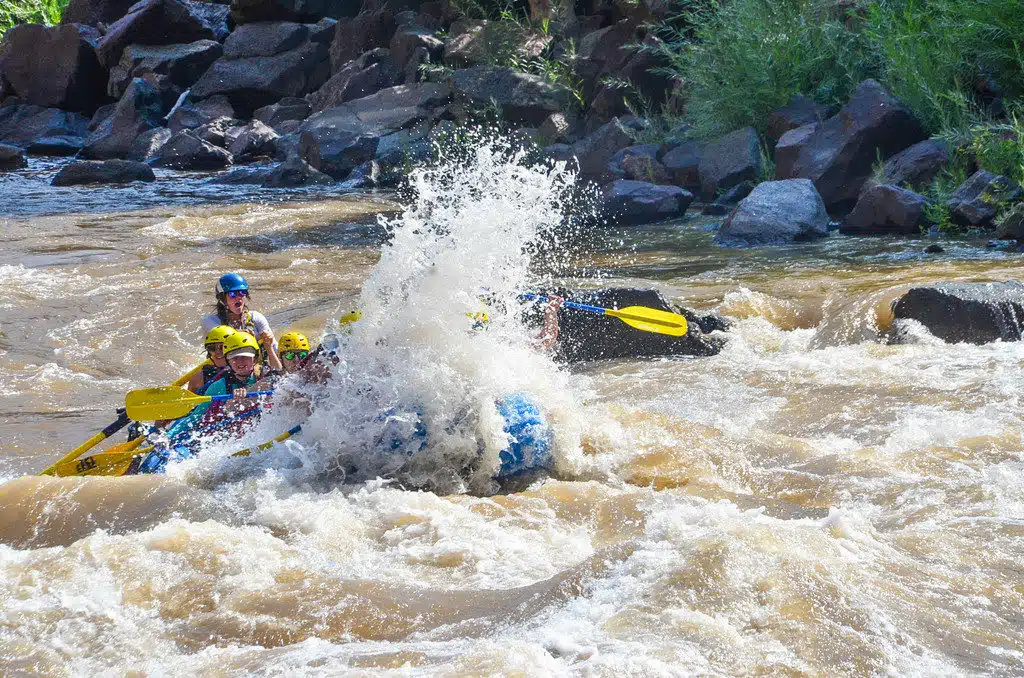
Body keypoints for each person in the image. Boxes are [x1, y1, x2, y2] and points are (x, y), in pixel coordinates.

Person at [201, 272, 283, 372]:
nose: (238, 297)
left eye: (242, 292)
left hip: (253, 369)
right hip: (222, 370)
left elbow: (276, 351)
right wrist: (243, 334)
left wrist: (269, 345)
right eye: (232, 294)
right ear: (222, 298)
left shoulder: (257, 318)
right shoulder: (210, 321)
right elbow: (223, 334)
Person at [188, 325, 235, 394]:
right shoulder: (199, 377)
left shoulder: (249, 371)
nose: (217, 352)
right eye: (212, 348)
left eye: (222, 347)